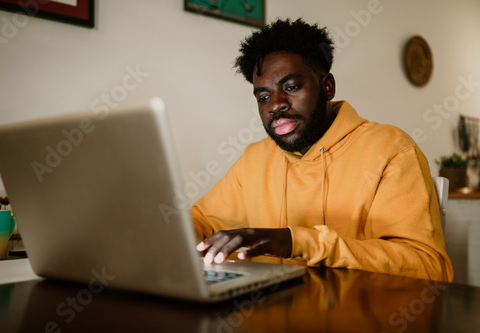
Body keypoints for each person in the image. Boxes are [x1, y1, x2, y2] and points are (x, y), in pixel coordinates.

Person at [192, 18, 453, 282]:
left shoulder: (391, 150)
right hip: (266, 317)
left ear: (327, 86)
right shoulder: (255, 158)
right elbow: (200, 222)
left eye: (291, 87)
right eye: (263, 97)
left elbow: (427, 267)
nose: (275, 105)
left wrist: (299, 241)